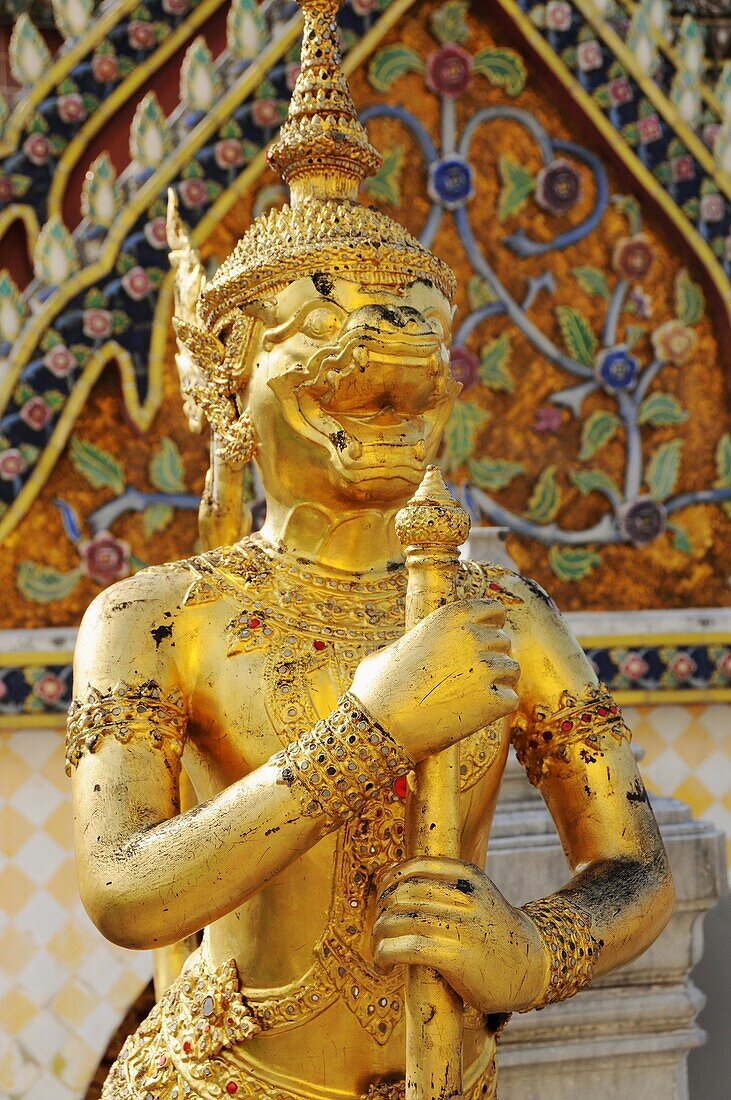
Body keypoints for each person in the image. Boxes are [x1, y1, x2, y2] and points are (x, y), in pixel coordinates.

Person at [67, 2, 674, 1097]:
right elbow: (125, 889)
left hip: (444, 1072)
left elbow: (629, 864)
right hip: (225, 1083)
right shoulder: (153, 616)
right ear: (231, 379)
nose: (390, 337)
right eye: (323, 319)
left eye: (413, 319)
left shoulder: (504, 609)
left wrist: (529, 949)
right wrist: (373, 727)